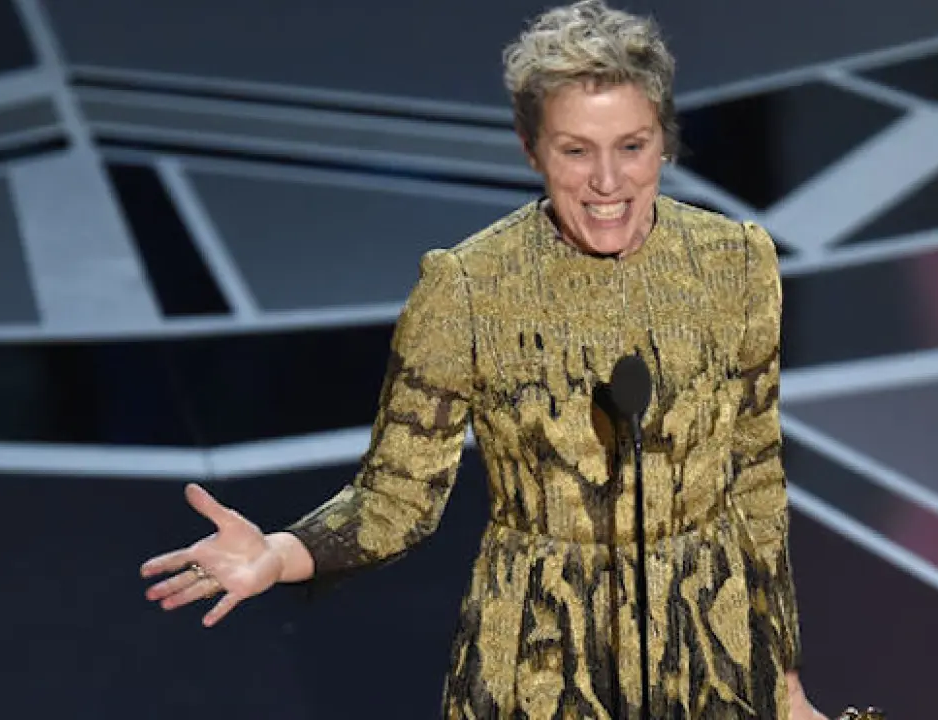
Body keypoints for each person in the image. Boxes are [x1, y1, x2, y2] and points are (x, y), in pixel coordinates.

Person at [141, 2, 874, 718]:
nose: (608, 181)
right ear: (532, 148)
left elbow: (755, 479)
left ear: (664, 143)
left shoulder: (734, 261)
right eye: (576, 150)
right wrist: (280, 551)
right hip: (540, 656)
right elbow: (397, 498)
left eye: (632, 146)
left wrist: (783, 683)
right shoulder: (467, 286)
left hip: (710, 653)